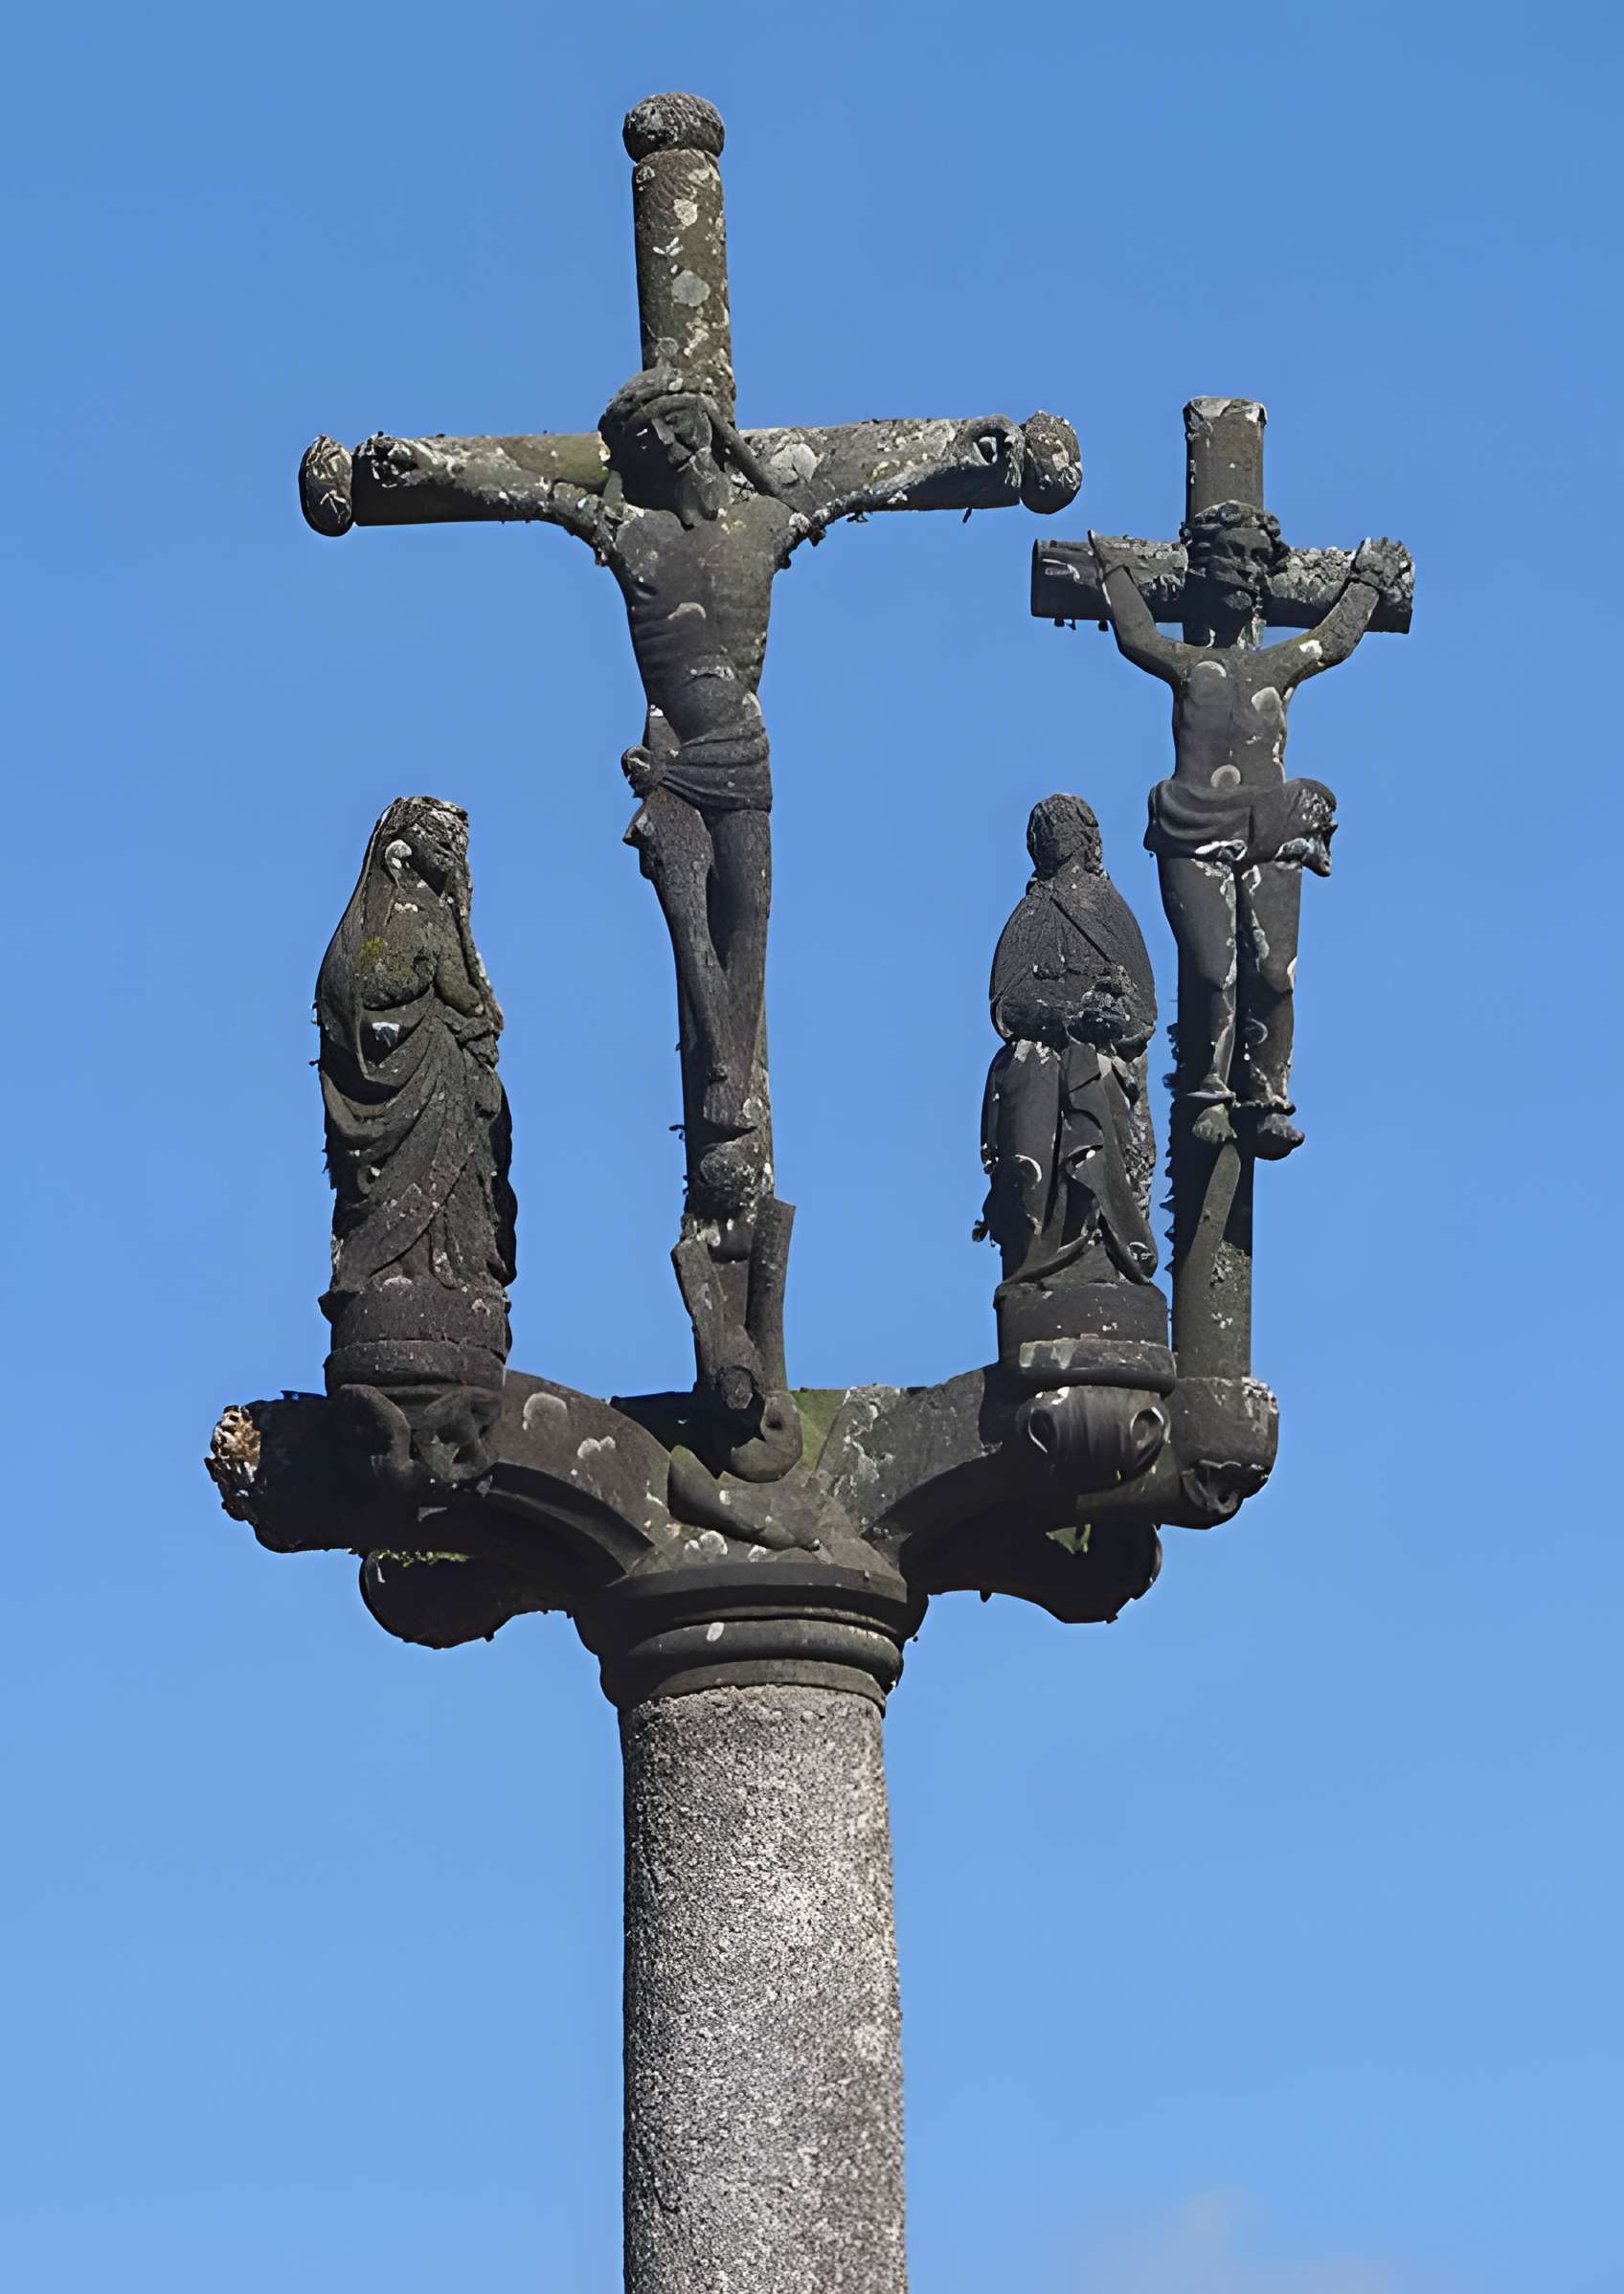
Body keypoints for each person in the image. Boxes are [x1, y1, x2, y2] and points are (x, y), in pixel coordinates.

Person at [1091, 513, 1406, 1156]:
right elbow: (1137, 636)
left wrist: (1369, 581)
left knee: (1275, 974)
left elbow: (1333, 641)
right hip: (1194, 820)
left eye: (1254, 559)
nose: (1241, 570)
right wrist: (1112, 567)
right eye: (1229, 555)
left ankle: (1267, 1097)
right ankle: (1208, 1091)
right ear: (1204, 567)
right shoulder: (1187, 665)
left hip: (1272, 822)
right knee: (1212, 971)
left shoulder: (1277, 666)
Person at [979, 795, 1159, 1292]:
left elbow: (1142, 1010)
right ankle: (1037, 1243)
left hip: (1100, 1057)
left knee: (1091, 1073)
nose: (1053, 830)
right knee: (1031, 1075)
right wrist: (1065, 1016)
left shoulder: (1109, 910)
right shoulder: (1030, 913)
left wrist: (1108, 1018)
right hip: (1038, 1052)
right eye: (1043, 824)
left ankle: (1102, 1241)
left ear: (1087, 836)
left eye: (1063, 821)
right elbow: (1006, 1003)